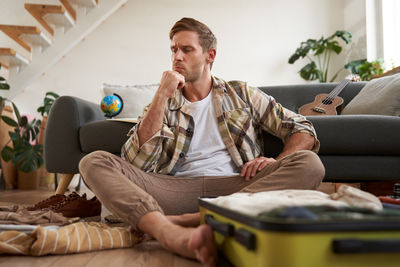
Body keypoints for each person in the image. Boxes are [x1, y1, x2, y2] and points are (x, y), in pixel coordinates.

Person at [79, 17, 325, 267]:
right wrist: (161, 95)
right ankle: (170, 233)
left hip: (238, 188)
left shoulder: (240, 93)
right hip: (174, 190)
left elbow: (302, 127)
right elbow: (135, 162)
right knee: (93, 161)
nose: (177, 57)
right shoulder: (162, 103)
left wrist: (276, 161)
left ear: (210, 55)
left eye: (187, 49)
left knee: (310, 164)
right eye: (174, 50)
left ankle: (187, 221)